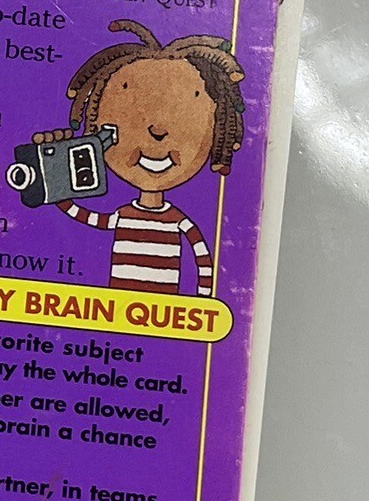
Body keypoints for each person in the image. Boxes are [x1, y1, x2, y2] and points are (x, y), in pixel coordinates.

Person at [34, 19, 245, 298]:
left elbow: (203, 261)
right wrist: (52, 175)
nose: (158, 130)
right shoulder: (124, 215)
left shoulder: (177, 221)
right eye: (133, 117)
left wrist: (203, 305)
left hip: (162, 310)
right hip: (119, 307)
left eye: (183, 118)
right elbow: (83, 215)